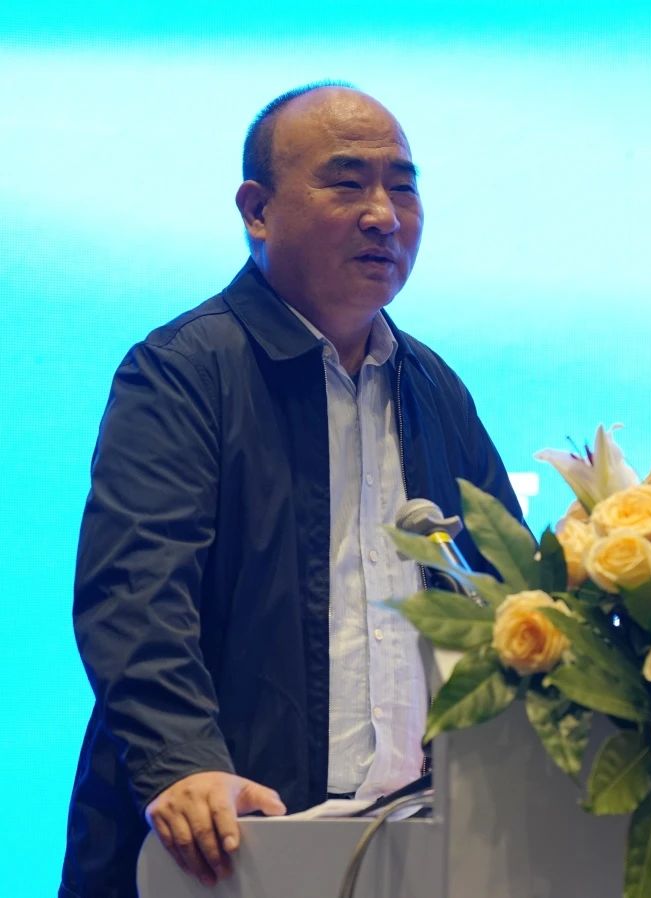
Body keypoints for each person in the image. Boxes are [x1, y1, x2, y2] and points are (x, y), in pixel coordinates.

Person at [60, 82, 522, 898]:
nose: (384, 215)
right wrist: (184, 764)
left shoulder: (432, 386)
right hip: (233, 841)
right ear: (257, 211)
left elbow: (506, 603)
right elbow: (136, 594)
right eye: (347, 183)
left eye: (403, 187)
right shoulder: (183, 370)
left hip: (414, 841)